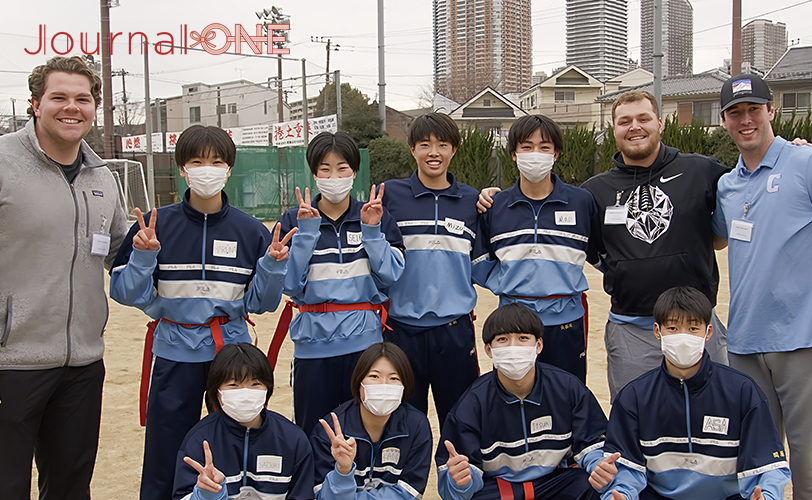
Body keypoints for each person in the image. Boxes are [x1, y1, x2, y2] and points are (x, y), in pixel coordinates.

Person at [479, 89, 730, 401]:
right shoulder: (595, 192)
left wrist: (790, 154)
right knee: (633, 414)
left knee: (718, 407)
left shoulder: (701, 170)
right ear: (614, 129)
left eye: (643, 118)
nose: (634, 126)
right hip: (630, 326)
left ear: (660, 123)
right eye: (624, 121)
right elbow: (597, 252)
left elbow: (746, 186)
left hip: (696, 324)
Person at [110, 125, 296, 500]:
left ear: (229, 169)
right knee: (166, 444)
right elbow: (126, 293)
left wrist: (273, 266)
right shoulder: (153, 224)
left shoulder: (250, 231)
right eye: (197, 161)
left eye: (216, 161)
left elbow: (261, 303)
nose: (206, 169)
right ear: (182, 168)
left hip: (230, 354)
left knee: (230, 439)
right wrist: (144, 256)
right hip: (174, 351)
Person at [0, 55, 128, 500]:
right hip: (10, 363)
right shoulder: (3, 163)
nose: (71, 108)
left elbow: (118, 251)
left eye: (83, 99)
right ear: (35, 103)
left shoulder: (103, 178)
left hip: (82, 365)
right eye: (59, 97)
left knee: (72, 486)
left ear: (95, 107)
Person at [712, 73, 812, 499]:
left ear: (772, 111)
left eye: (754, 109)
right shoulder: (727, 185)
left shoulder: (804, 163)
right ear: (724, 121)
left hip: (801, 335)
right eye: (736, 113)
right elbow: (718, 237)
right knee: (755, 451)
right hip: (746, 339)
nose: (746, 119)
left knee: (807, 453)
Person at [592, 286, 791, 500]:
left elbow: (769, 466)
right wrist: (620, 494)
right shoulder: (634, 397)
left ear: (708, 332)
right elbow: (625, 469)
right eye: (673, 328)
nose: (683, 337)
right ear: (658, 331)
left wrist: (768, 496)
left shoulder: (742, 391)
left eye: (693, 328)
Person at [276, 131, 405, 434]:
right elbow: (291, 286)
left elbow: (391, 276)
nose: (334, 176)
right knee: (315, 431)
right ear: (314, 173)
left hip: (365, 346)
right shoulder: (295, 219)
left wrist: (372, 232)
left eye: (342, 167)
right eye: (325, 168)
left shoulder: (374, 215)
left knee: (365, 429)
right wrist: (307, 233)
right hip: (313, 347)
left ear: (355, 171)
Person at [471, 114, 601, 384]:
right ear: (514, 154)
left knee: (568, 395)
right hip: (513, 323)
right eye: (527, 147)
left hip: (567, 321)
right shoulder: (496, 206)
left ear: (556, 154)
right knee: (512, 394)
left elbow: (598, 253)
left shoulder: (581, 201)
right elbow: (480, 262)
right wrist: (509, 284)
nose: (535, 154)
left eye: (544, 147)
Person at [436, 303, 610, 500]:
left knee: (591, 484)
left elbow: (593, 443)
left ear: (539, 346)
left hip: (555, 483)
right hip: (500, 490)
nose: (513, 347)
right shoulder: (471, 404)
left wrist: (599, 465)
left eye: (523, 338)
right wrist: (461, 482)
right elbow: (457, 487)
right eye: (502, 339)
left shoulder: (568, 388)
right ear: (489, 350)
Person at [380, 112, 481, 429]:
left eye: (442, 144)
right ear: (412, 149)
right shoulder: (389, 196)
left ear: (454, 150)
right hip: (400, 330)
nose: (433, 152)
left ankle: (457, 480)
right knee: (403, 422)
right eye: (424, 144)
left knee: (462, 420)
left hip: (454, 330)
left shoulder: (472, 200)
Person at [173, 343, 314, 500]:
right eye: (233, 385)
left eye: (255, 384)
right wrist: (207, 494)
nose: (245, 394)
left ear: (268, 389)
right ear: (217, 391)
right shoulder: (198, 440)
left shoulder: (293, 439)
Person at [310, 342, 432, 500]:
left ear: (405, 385)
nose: (384, 385)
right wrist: (343, 471)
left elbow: (410, 493)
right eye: (374, 376)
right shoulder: (329, 432)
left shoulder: (416, 426)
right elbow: (323, 497)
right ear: (359, 382)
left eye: (394, 378)